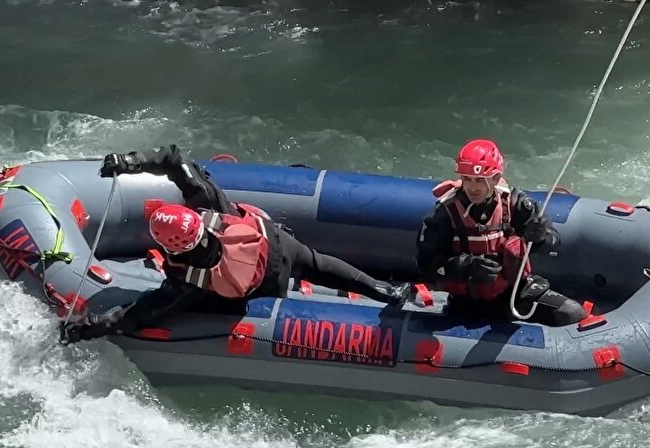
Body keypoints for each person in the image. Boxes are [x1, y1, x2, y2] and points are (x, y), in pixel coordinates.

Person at [63, 146, 413, 341]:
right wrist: (131, 162)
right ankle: (384, 290)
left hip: (259, 288)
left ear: (170, 248)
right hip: (277, 244)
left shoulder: (186, 281)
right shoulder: (209, 205)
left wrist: (86, 327)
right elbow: (174, 157)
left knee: (209, 306)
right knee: (319, 265)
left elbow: (136, 316)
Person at [415, 139, 586, 326]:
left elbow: (553, 241)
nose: (473, 187)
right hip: (467, 300)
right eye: (467, 179)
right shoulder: (443, 213)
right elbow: (425, 265)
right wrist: (466, 267)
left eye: (480, 180)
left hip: (514, 292)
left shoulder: (515, 203)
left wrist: (541, 237)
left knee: (571, 313)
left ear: (496, 179)